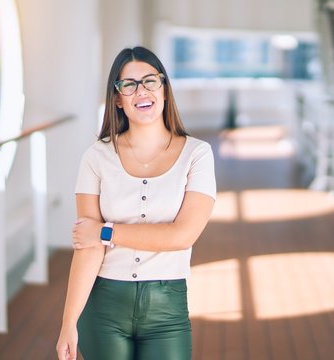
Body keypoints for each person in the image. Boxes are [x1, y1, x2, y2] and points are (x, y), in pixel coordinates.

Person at [56, 46, 216, 360]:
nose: (140, 91)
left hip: (167, 309)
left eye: (150, 81)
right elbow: (87, 248)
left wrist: (105, 232)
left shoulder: (197, 154)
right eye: (128, 84)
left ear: (165, 90)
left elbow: (181, 236)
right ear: (117, 98)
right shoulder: (96, 157)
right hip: (103, 306)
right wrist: (68, 322)